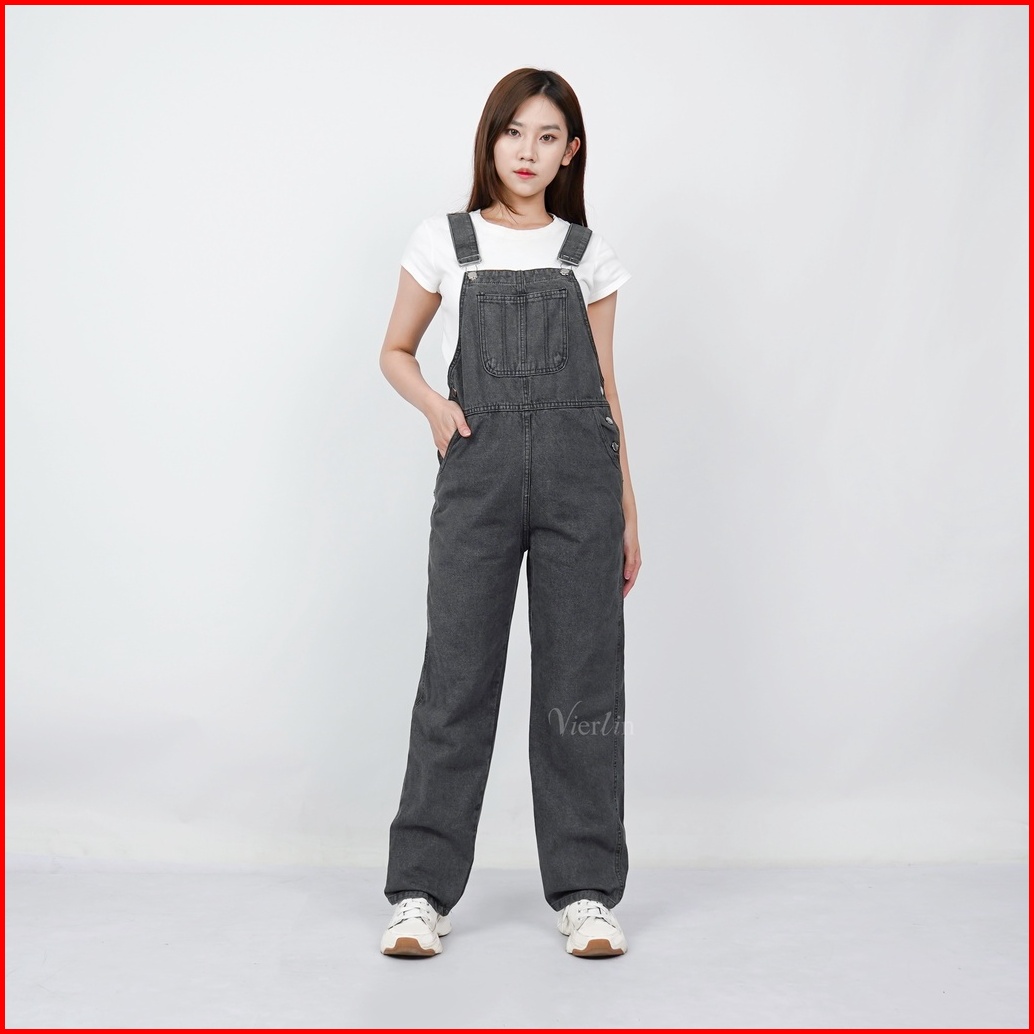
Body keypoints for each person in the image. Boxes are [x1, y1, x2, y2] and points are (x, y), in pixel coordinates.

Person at [377, 67, 641, 958]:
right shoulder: (445, 242)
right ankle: (420, 894)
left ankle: (587, 893)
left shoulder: (586, 254)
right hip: (478, 477)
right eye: (513, 132)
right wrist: (435, 408)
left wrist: (628, 510)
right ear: (491, 139)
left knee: (582, 687)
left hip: (581, 484)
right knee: (455, 680)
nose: (527, 151)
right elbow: (395, 349)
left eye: (547, 136)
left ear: (571, 152)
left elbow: (605, 391)